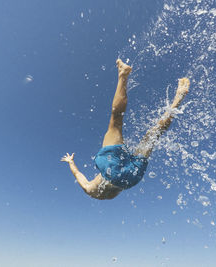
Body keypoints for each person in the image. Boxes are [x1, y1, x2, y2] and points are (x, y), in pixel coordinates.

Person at [61, 59, 190, 200]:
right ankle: (123, 74)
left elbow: (79, 176)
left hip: (131, 178)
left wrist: (70, 162)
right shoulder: (89, 188)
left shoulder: (94, 192)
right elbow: (79, 175)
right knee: (116, 121)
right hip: (111, 168)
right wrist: (71, 162)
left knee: (153, 135)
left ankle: (178, 99)